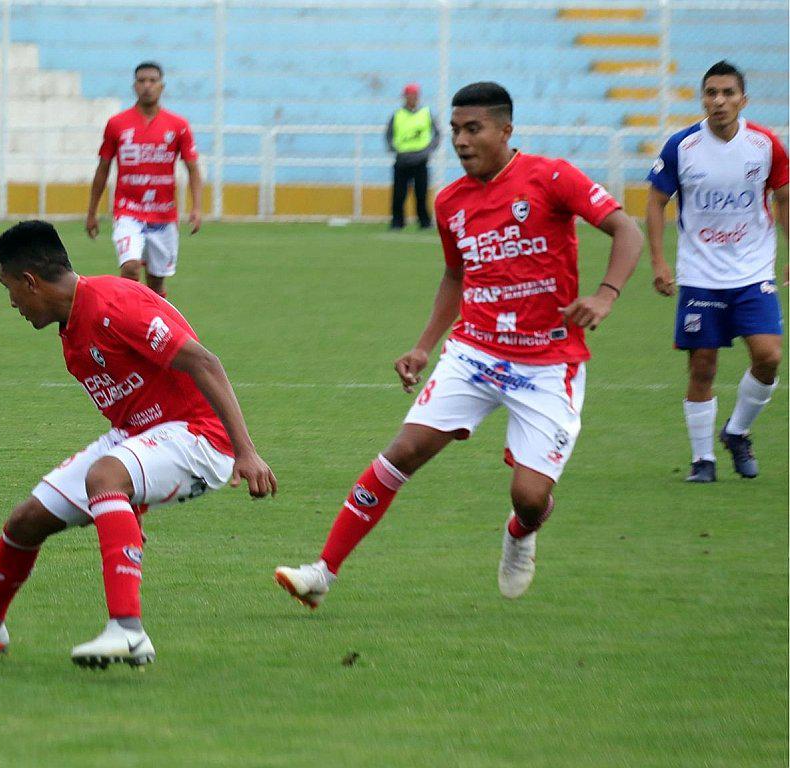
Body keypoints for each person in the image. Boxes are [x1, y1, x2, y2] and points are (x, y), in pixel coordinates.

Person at [274, 82, 642, 607]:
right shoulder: (449, 201)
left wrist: (605, 295)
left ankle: (521, 530)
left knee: (530, 496)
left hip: (547, 362)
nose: (462, 140)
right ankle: (321, 573)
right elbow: (455, 274)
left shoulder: (552, 176)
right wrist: (424, 346)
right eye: (455, 130)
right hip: (475, 352)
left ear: (505, 130)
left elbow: (626, 230)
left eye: (474, 129)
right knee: (401, 452)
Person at [0, 221, 276, 669]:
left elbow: (205, 362)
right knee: (25, 522)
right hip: (143, 436)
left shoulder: (116, 305)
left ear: (30, 281)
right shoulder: (71, 329)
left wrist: (245, 451)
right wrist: (131, 504)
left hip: (199, 436)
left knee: (105, 476)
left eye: (10, 288)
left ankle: (128, 632)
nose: (12, 302)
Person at [646, 60, 787, 483]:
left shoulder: (765, 145)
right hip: (700, 274)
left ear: (743, 99)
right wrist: (658, 261)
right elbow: (655, 202)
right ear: (702, 98)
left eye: (728, 93)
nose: (719, 100)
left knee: (769, 357)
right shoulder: (682, 146)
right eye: (711, 93)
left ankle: (737, 431)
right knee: (702, 367)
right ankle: (702, 460)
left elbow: (783, 196)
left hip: (752, 271)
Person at [86, 62, 202, 298]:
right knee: (130, 268)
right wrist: (92, 211)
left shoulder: (178, 126)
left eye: (152, 81)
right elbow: (103, 168)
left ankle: (153, 328)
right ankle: (129, 323)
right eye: (141, 81)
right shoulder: (117, 124)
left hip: (163, 215)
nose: (147, 86)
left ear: (162, 86)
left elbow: (192, 168)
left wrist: (197, 208)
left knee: (156, 285)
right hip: (128, 212)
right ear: (134, 86)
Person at [386, 82, 441, 230]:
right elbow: (389, 135)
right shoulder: (397, 115)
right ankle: (397, 222)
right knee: (398, 194)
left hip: (420, 160)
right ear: (404, 97)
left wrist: (428, 150)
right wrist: (394, 149)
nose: (411, 98)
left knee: (421, 194)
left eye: (414, 95)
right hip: (402, 160)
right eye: (409, 95)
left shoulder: (426, 113)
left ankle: (424, 222)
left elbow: (437, 134)